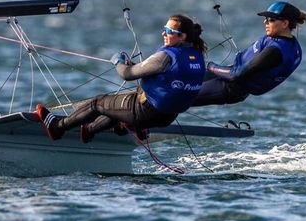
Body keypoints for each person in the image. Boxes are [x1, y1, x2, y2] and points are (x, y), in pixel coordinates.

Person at [35, 14, 206, 143]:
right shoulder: (197, 57)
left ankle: (58, 126)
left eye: (169, 31)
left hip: (145, 113)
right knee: (118, 107)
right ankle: (90, 130)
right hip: (167, 117)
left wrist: (118, 62)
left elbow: (127, 74)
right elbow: (167, 77)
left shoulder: (165, 57)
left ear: (182, 36)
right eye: (164, 29)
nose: (164, 33)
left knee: (98, 103)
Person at [191, 1, 306, 107]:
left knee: (181, 95)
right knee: (178, 80)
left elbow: (235, 74)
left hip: (230, 87)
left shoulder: (275, 51)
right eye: (265, 18)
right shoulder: (280, 40)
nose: (265, 22)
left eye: (271, 19)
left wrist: (209, 66)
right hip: (225, 76)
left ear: (285, 23)